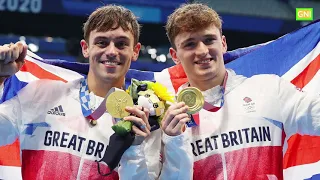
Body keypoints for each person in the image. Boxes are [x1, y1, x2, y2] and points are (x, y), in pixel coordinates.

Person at [0, 5, 187, 180]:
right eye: (102, 42)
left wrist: (134, 148)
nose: (112, 51)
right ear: (85, 48)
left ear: (135, 51)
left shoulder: (143, 120)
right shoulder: (41, 94)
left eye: (121, 44)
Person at [160, 3, 320, 179]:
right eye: (190, 44)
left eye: (209, 40)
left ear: (223, 43)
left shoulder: (268, 90)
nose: (202, 51)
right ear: (175, 55)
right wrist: (172, 141)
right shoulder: (167, 119)